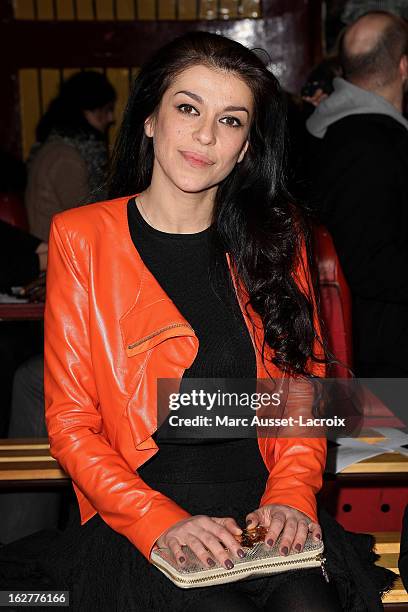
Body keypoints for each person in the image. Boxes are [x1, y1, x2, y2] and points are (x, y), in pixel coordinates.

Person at [0, 32, 396, 611]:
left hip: (263, 511)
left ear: (245, 147)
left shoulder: (275, 241)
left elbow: (301, 398)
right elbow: (73, 423)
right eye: (188, 108)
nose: (206, 135)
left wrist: (290, 498)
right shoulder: (82, 237)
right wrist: (160, 521)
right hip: (144, 514)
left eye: (230, 120)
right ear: (150, 120)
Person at [306, 11, 408, 379]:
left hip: (353, 347)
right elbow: (371, 264)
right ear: (403, 66)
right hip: (382, 362)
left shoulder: (324, 128)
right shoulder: (371, 146)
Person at [25, 70, 116, 241]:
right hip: (57, 258)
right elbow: (87, 218)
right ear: (88, 109)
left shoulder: (59, 146)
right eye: (106, 109)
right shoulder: (65, 157)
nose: (111, 117)